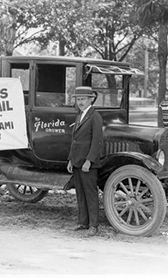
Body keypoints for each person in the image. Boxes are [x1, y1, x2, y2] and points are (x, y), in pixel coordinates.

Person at [67, 86, 103, 237]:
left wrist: (89, 160)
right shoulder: (80, 116)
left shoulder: (95, 116)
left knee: (90, 193)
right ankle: (83, 222)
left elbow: (97, 141)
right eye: (77, 99)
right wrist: (70, 159)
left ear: (91, 99)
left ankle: (94, 225)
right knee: (80, 193)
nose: (80, 102)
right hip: (77, 161)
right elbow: (75, 140)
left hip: (87, 163)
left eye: (83, 99)